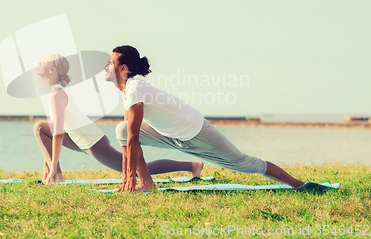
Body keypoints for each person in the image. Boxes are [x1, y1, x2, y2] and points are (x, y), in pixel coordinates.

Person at [104, 45, 306, 192]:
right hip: (170, 135)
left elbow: (133, 138)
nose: (106, 67)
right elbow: (128, 137)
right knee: (121, 129)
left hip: (197, 133)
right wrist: (125, 180)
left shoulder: (135, 88)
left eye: (110, 63)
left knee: (246, 163)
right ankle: (147, 184)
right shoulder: (128, 91)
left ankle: (298, 185)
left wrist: (130, 176)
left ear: (123, 69)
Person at [33, 53, 204, 184]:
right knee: (41, 128)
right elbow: (53, 133)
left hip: (94, 143)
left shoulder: (56, 94)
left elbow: (57, 135)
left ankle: (191, 166)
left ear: (52, 70)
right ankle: (53, 177)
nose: (39, 62)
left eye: (44, 62)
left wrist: (54, 166)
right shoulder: (53, 93)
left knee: (137, 170)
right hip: (75, 137)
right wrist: (48, 167)